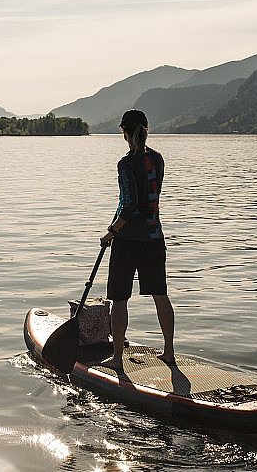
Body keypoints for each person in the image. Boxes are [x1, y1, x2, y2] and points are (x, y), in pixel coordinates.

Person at [100, 109, 175, 372]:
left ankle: (118, 359)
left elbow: (130, 206)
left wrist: (112, 231)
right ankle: (169, 352)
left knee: (119, 300)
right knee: (160, 295)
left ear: (124, 132)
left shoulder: (126, 164)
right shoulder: (158, 159)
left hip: (128, 240)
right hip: (155, 238)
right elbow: (148, 200)